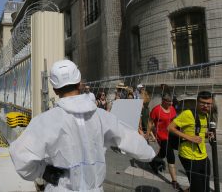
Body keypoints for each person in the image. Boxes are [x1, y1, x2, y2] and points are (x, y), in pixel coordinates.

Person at [9, 59, 155, 191]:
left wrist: (42, 171)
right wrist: (151, 154)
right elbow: (130, 140)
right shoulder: (102, 116)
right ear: (79, 83)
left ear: (54, 90)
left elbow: (20, 158)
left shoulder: (44, 121)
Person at [168, 91, 214, 192]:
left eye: (208, 103)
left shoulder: (206, 115)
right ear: (197, 102)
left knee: (205, 187)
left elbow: (198, 132)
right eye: (202, 103)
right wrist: (189, 138)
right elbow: (170, 128)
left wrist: (207, 134)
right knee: (199, 189)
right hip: (189, 156)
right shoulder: (188, 114)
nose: (205, 106)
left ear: (211, 104)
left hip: (203, 156)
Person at [146, 93, 182, 191]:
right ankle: (174, 181)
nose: (171, 103)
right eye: (168, 101)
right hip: (161, 136)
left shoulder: (172, 109)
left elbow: (175, 121)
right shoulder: (156, 110)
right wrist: (148, 134)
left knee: (162, 153)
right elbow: (150, 122)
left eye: (171, 101)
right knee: (171, 156)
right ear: (163, 101)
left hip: (171, 136)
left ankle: (153, 161)